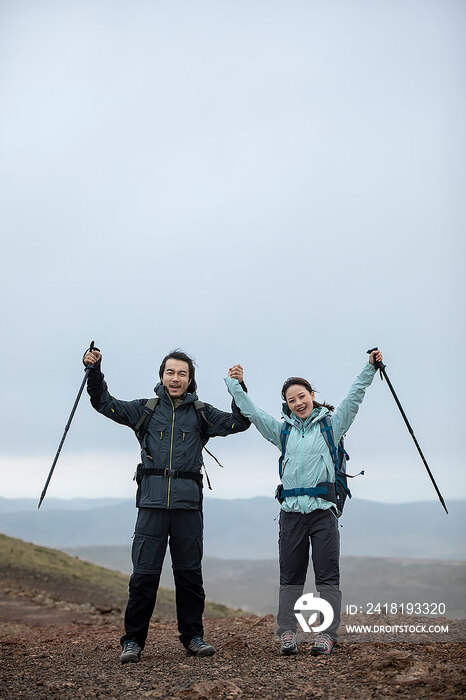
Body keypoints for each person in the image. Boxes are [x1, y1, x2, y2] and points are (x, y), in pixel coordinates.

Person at [82, 347, 250, 663]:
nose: (175, 378)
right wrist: (94, 370)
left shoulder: (202, 413)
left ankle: (193, 637)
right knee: (144, 576)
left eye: (182, 373)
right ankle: (132, 640)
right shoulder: (144, 410)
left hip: (187, 507)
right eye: (170, 372)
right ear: (162, 375)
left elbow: (240, 422)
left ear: (190, 380)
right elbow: (103, 403)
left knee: (189, 576)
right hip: (151, 505)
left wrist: (238, 388)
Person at [225, 349, 383, 656]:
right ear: (287, 404)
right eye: (291, 400)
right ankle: (287, 633)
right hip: (291, 514)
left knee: (327, 575)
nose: (298, 403)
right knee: (291, 575)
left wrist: (369, 369)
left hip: (323, 512)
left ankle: (327, 634)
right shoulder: (281, 430)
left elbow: (353, 399)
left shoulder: (331, 426)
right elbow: (253, 413)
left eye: (301, 396)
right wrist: (235, 385)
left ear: (312, 395)